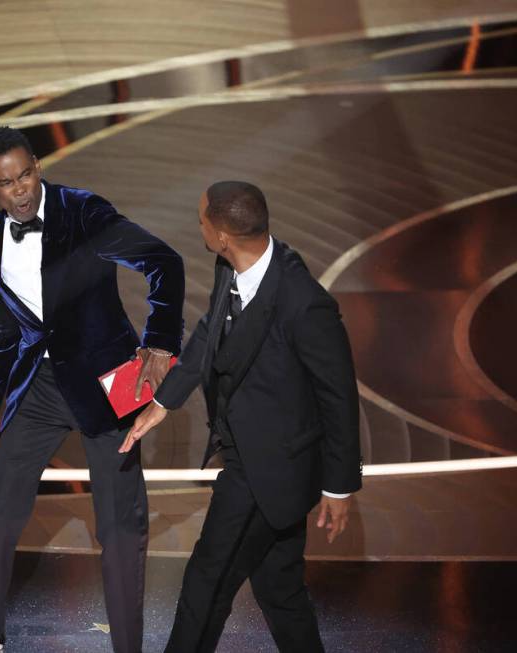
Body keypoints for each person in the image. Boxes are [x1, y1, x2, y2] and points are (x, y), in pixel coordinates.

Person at [0, 126, 185, 653]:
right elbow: (7, 326)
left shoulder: (83, 211)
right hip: (37, 389)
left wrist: (159, 343)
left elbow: (164, 262)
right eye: (6, 183)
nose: (20, 190)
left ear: (38, 165)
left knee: (119, 529)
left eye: (27, 175)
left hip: (108, 387)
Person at [121, 181, 362, 652]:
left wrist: (339, 485)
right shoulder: (229, 266)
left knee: (205, 583)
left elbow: (338, 396)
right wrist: (165, 400)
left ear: (223, 234)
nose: (200, 227)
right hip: (248, 455)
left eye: (202, 220)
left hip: (269, 469)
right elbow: (212, 331)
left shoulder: (303, 301)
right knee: (280, 590)